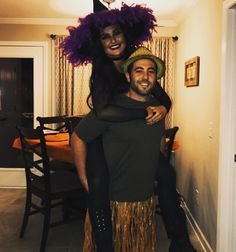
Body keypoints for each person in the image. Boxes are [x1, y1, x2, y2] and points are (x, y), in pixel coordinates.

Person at [61, 2, 196, 252]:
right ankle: (104, 247)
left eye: (117, 33)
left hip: (129, 131)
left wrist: (164, 108)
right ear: (99, 43)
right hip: (102, 137)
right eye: (105, 36)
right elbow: (104, 112)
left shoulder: (138, 62)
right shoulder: (100, 69)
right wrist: (143, 111)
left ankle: (180, 241)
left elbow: (164, 97)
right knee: (98, 186)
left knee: (167, 175)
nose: (113, 40)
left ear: (126, 35)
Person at [72, 46, 166, 251]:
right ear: (127, 75)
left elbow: (158, 142)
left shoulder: (159, 108)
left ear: (156, 78)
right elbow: (78, 137)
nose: (145, 76)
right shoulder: (109, 108)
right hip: (112, 200)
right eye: (138, 70)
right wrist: (83, 177)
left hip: (144, 199)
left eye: (151, 71)